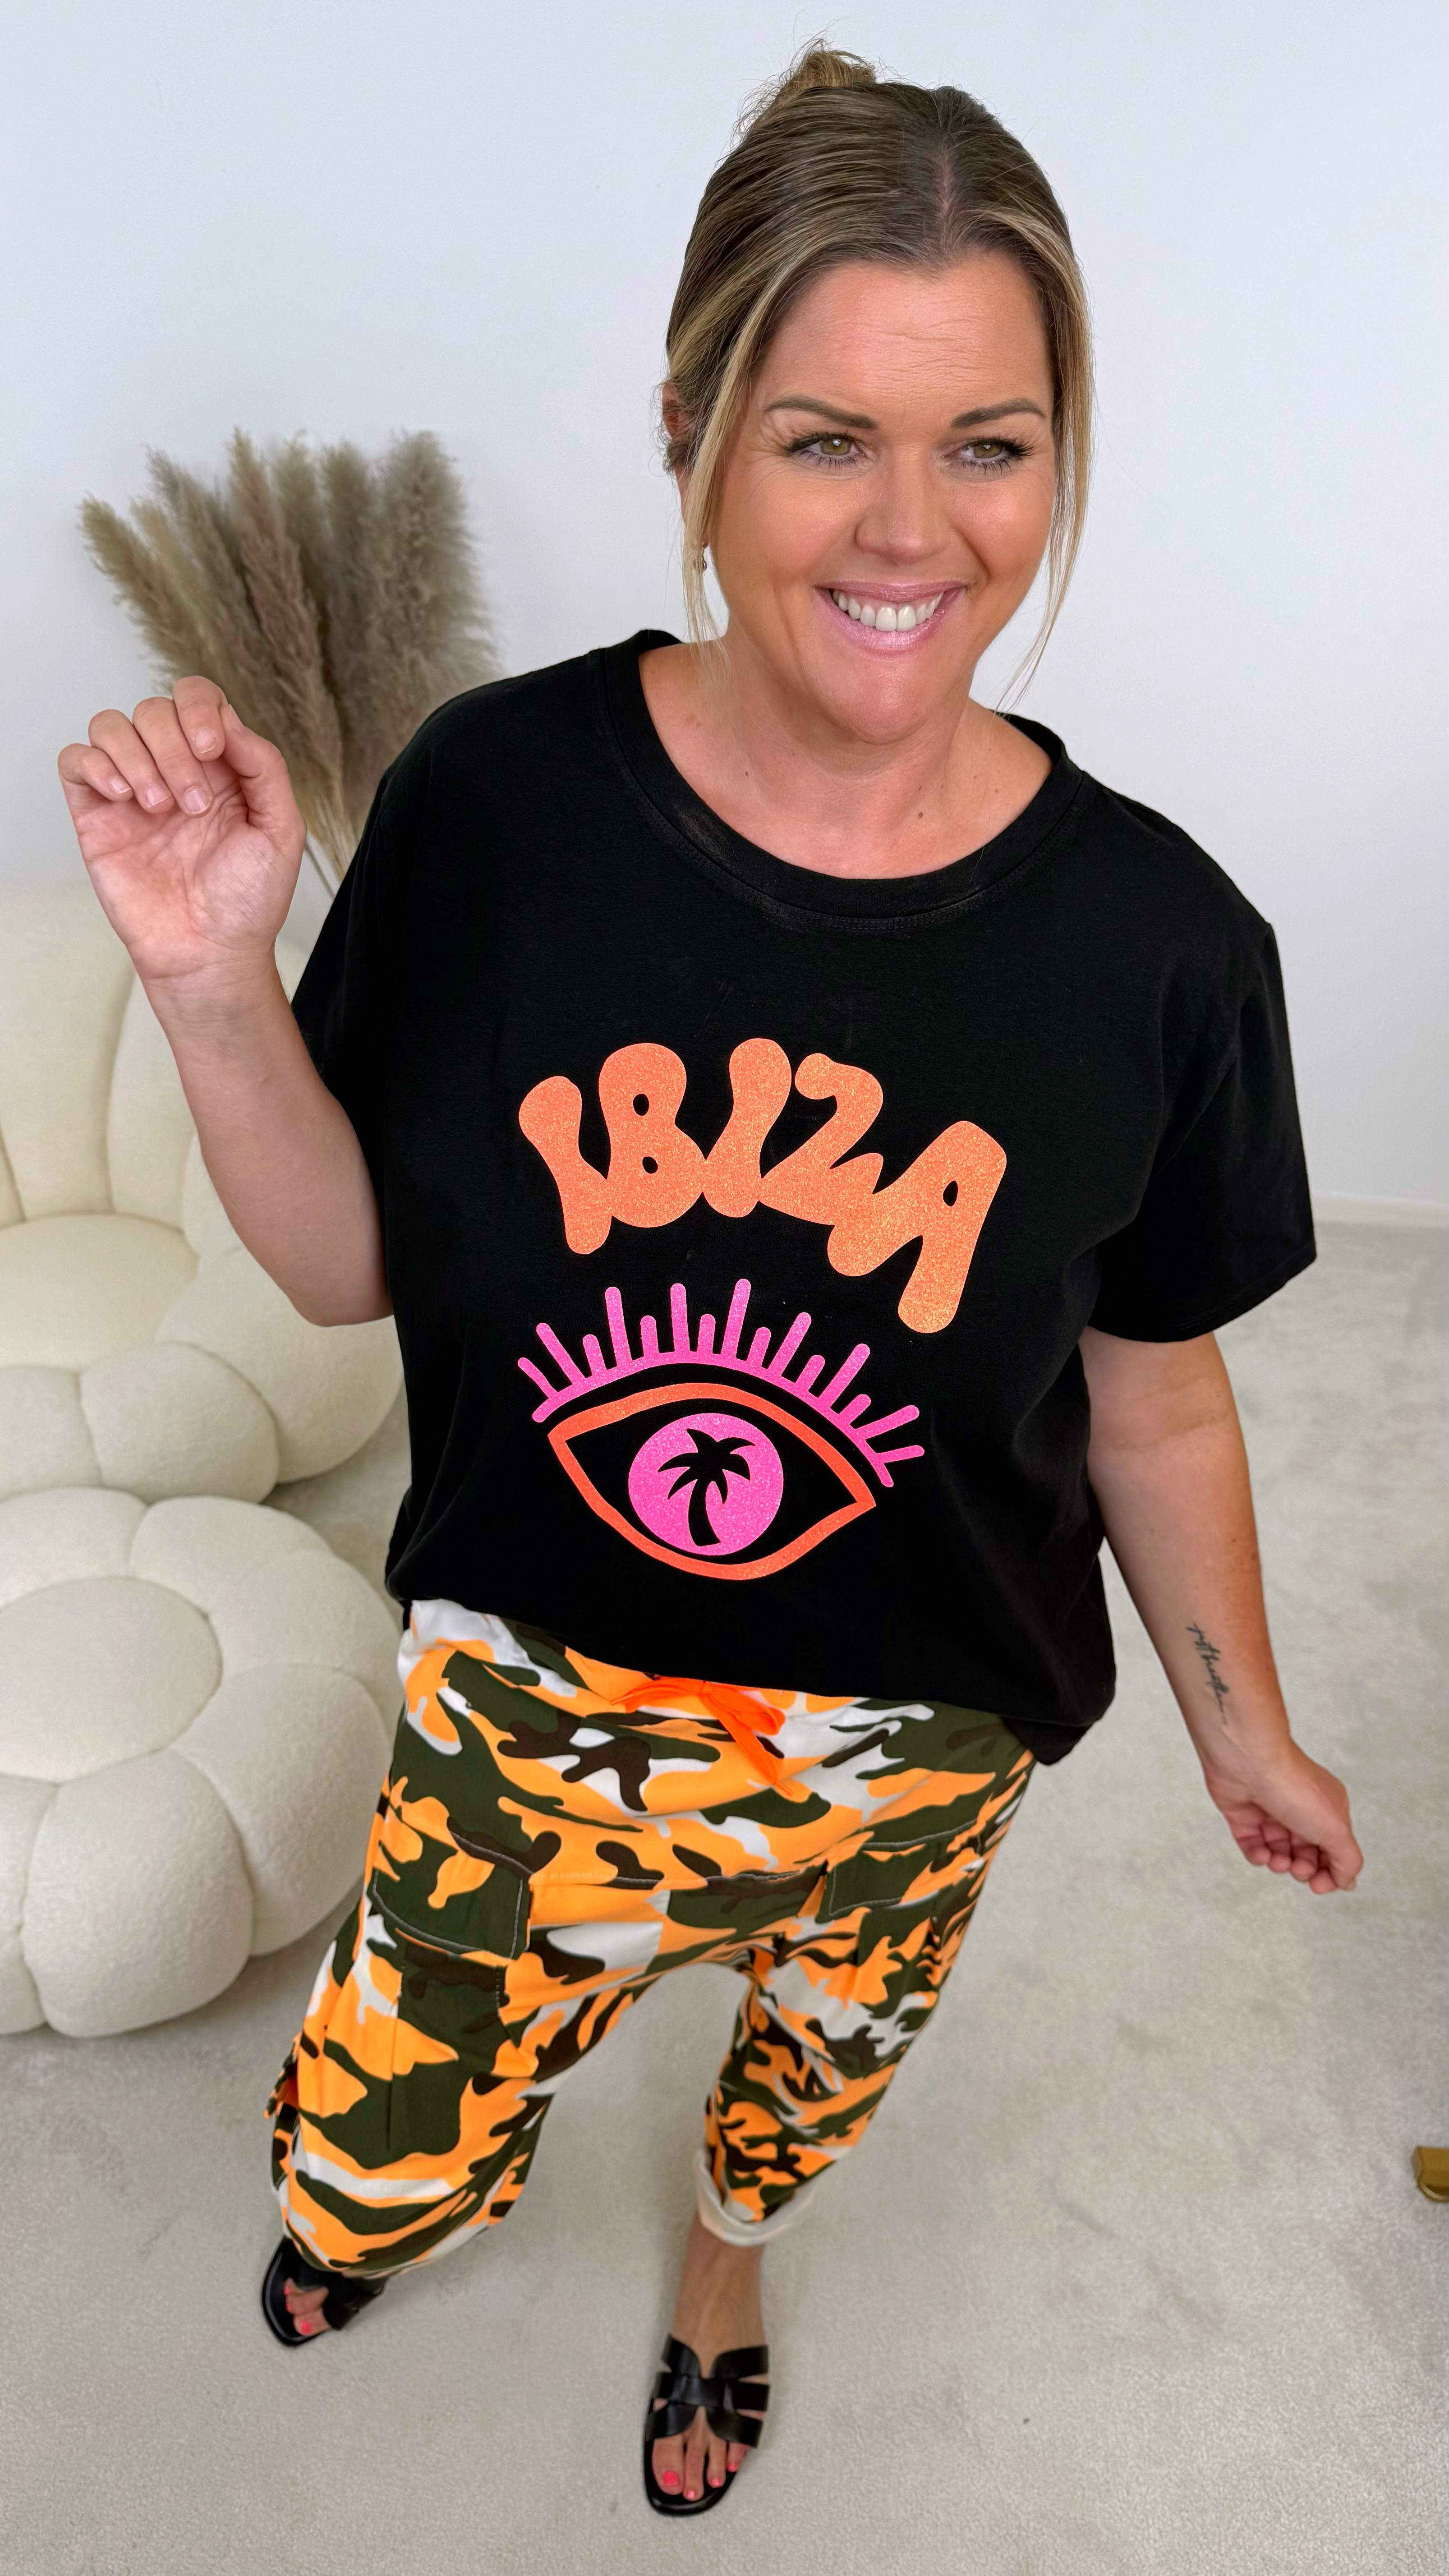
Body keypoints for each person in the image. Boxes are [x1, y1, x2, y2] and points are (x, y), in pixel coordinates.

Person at [57, 40, 1363, 2518]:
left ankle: (725, 2269)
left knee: (809, 2088)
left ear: (1062, 455)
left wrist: (1242, 1726)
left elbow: (1154, 1392)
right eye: (825, 436)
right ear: (692, 429)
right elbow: (344, 1272)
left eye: (992, 442)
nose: (915, 528)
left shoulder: (1165, 950)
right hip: (527, 1700)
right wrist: (216, 980)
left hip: (914, 1739)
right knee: (379, 2121)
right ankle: (391, 2206)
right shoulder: (497, 807)